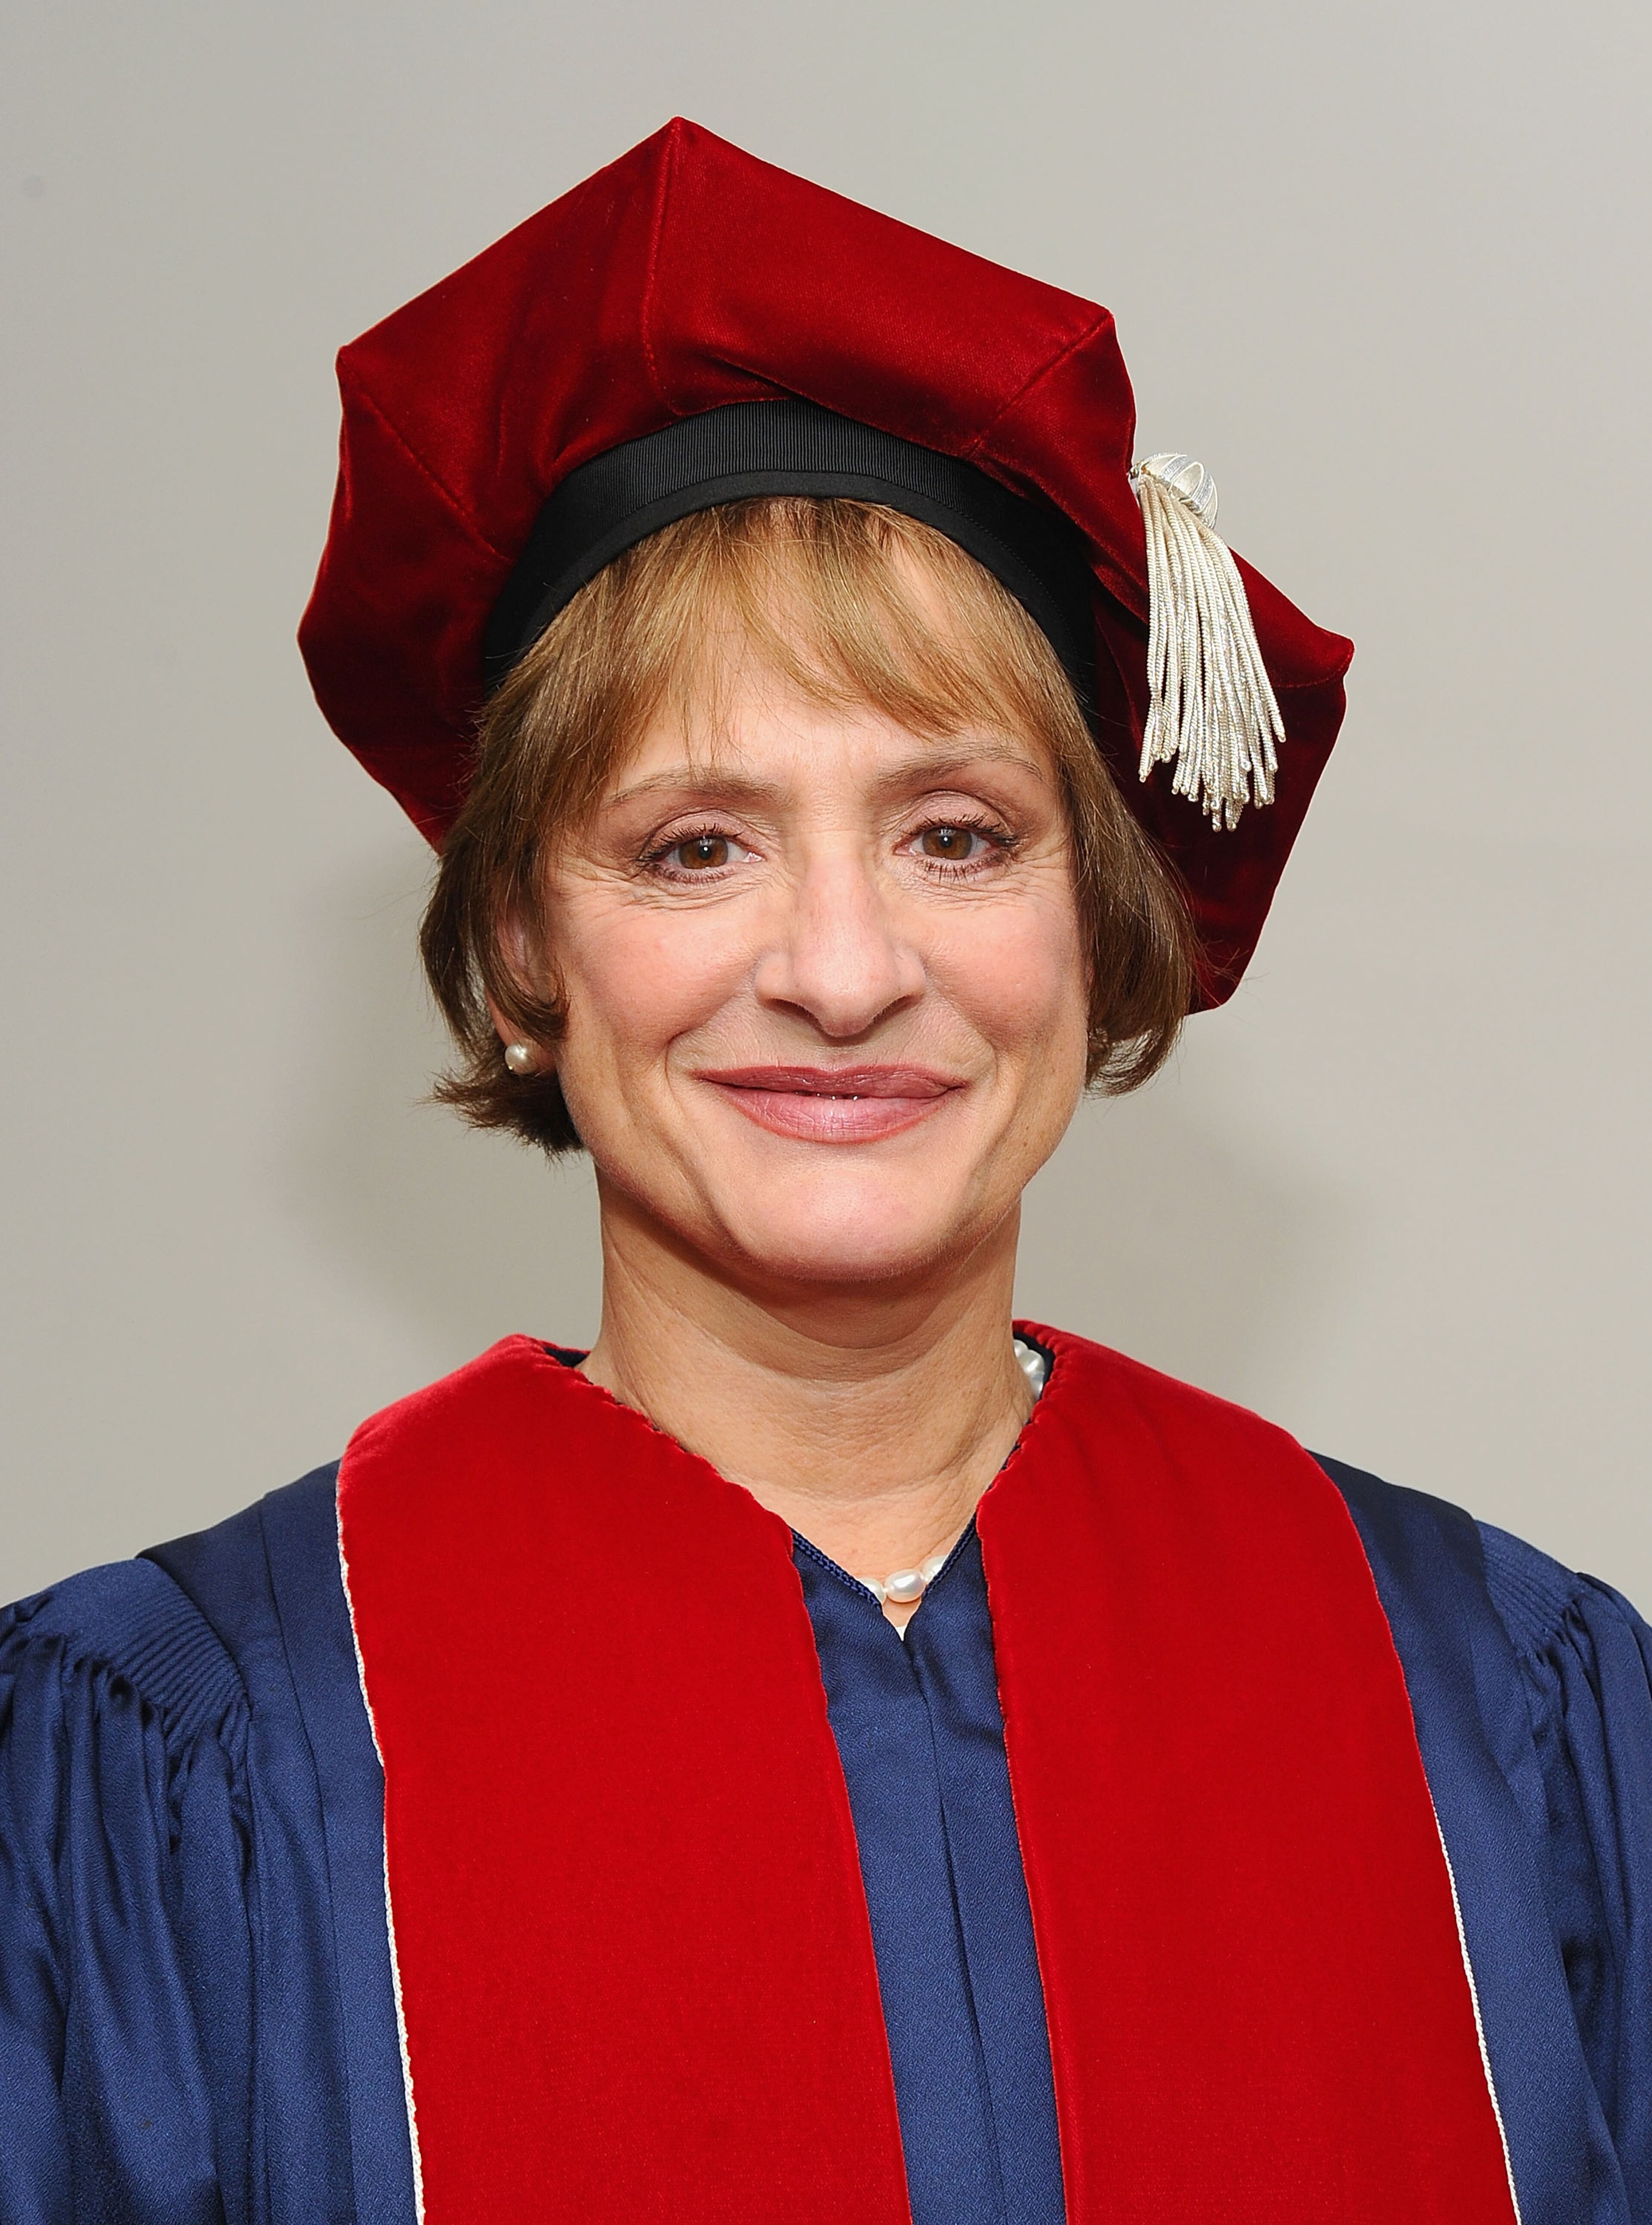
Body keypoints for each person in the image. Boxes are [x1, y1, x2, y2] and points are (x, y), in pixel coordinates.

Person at [0, 117, 1646, 2225]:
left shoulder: (1486, 1716)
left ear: (1093, 913)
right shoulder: (187, 1762)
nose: (847, 973)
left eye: (956, 836)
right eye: (697, 846)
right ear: (524, 946)